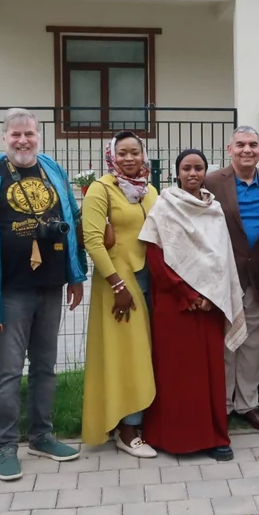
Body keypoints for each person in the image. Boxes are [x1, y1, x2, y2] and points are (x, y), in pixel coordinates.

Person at [0, 109, 86, 481]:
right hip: (9, 291)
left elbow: (72, 219)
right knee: (10, 372)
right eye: (15, 134)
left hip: (50, 285)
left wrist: (76, 275)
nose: (23, 140)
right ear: (4, 138)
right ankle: (6, 445)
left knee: (46, 367)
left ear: (38, 136)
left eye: (29, 134)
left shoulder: (52, 169)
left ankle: (42, 436)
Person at [138, 149, 248, 460]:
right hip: (175, 306)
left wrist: (211, 296)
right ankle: (172, 438)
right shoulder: (164, 206)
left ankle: (214, 437)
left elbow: (223, 258)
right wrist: (187, 295)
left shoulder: (214, 209)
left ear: (205, 172)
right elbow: (155, 256)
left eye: (198, 168)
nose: (193, 173)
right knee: (175, 372)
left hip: (210, 306)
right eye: (186, 168)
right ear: (177, 172)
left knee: (209, 372)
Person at [81, 131, 159, 458]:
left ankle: (139, 421)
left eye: (134, 152)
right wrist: (117, 285)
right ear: (112, 156)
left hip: (150, 280)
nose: (129, 158)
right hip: (119, 284)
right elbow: (92, 241)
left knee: (143, 352)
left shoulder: (149, 190)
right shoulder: (101, 190)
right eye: (122, 153)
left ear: (143, 156)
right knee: (126, 354)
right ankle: (127, 429)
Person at [204, 126, 259, 432]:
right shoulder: (212, 182)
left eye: (253, 144)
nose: (247, 150)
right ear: (230, 149)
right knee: (227, 341)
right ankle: (223, 404)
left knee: (253, 343)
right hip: (223, 275)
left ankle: (247, 404)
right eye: (240, 145)